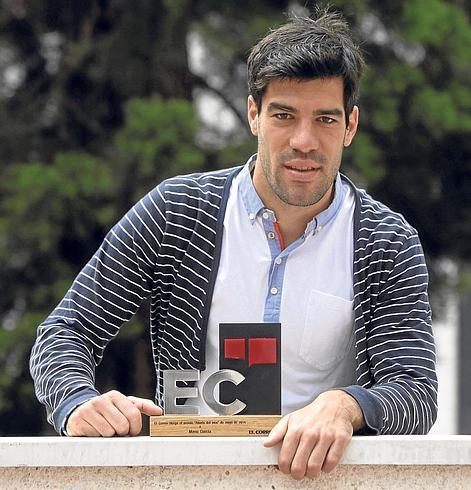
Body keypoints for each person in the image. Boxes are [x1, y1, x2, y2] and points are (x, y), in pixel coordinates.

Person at [30, 8, 437, 480]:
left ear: (350, 126)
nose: (303, 141)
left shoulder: (385, 240)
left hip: (322, 480)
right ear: (253, 115)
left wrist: (345, 405)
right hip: (191, 477)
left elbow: (415, 393)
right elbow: (65, 331)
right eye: (284, 115)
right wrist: (77, 403)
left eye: (325, 119)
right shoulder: (179, 212)